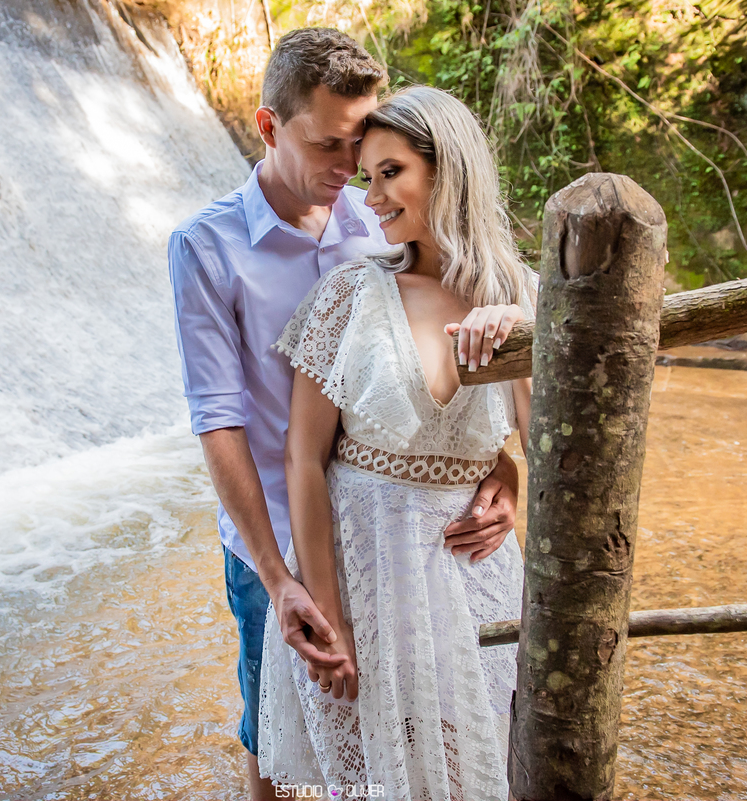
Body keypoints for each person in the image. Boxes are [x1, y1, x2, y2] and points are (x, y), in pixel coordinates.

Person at [168, 30, 525, 800]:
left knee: (437, 727)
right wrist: (280, 578)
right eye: (329, 145)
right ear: (269, 127)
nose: (351, 169)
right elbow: (218, 421)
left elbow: (427, 396)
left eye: (362, 147)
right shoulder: (208, 247)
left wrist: (502, 470)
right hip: (274, 530)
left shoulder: (382, 217)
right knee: (276, 733)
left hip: (414, 544)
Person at [256, 86, 536, 800]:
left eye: (391, 173)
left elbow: (549, 452)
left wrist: (523, 332)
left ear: (449, 171)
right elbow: (304, 460)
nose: (371, 197)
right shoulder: (349, 294)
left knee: (473, 771)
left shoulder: (525, 295)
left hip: (473, 578)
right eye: (366, 175)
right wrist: (329, 616)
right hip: (363, 573)